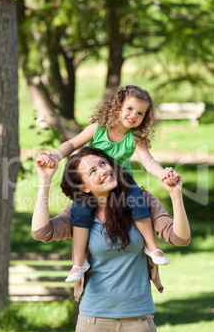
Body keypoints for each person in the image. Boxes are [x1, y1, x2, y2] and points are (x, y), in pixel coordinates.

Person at [31, 147, 190, 332]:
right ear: (84, 187)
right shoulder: (78, 214)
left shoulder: (141, 201)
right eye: (92, 171)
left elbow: (180, 237)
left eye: (103, 164)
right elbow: (41, 232)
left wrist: (176, 195)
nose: (103, 171)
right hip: (93, 322)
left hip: (138, 320)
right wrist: (44, 182)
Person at [37, 85, 178, 282]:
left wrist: (163, 174)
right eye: (129, 109)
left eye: (140, 113)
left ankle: (152, 246)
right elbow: (72, 144)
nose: (133, 115)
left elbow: (148, 161)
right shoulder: (99, 128)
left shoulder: (136, 137)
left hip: (123, 180)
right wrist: (55, 155)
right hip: (95, 183)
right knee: (80, 213)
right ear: (117, 106)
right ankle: (78, 262)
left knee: (137, 202)